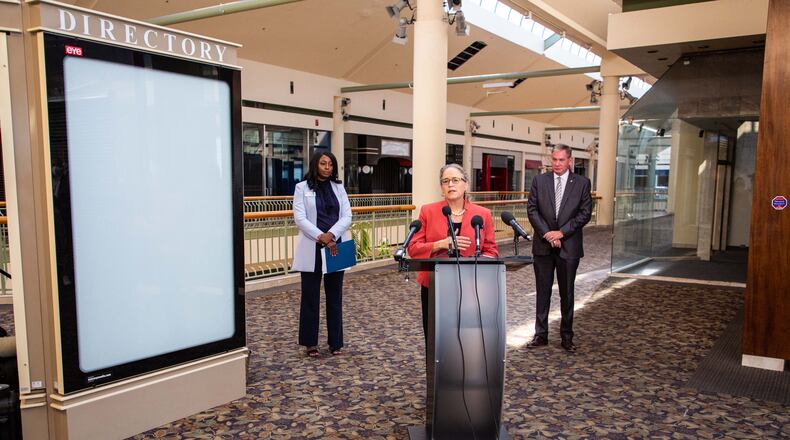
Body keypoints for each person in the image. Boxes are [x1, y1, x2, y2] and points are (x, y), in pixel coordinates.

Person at [407, 163, 499, 338]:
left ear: (466, 184)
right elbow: (413, 248)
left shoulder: (483, 214)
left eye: (455, 180)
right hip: (434, 283)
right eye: (445, 181)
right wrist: (440, 244)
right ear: (441, 187)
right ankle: (436, 366)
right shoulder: (428, 211)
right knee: (435, 335)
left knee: (466, 335)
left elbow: (492, 251)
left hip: (470, 284)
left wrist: (477, 263)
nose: (450, 185)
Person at [526, 144, 592, 352]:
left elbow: (584, 213)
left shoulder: (582, 183)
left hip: (568, 246)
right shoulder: (539, 180)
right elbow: (532, 209)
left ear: (570, 161)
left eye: (561, 160)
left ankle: (566, 337)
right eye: (554, 159)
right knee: (542, 291)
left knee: (567, 293)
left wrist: (561, 233)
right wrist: (548, 233)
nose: (556, 163)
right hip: (543, 246)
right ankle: (541, 335)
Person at [292, 151, 352, 357]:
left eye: (330, 164)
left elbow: (347, 216)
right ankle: (310, 343)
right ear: (315, 165)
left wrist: (332, 235)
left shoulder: (339, 187)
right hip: (313, 247)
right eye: (323, 163)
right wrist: (321, 236)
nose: (327, 167)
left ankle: (336, 343)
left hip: (336, 246)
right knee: (310, 297)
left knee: (335, 297)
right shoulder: (302, 188)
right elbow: (300, 218)